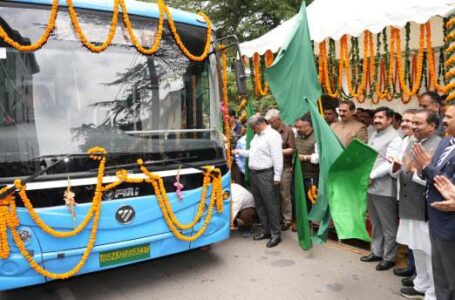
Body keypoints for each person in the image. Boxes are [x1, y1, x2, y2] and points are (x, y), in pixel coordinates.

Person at [392, 109, 440, 299]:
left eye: (418, 123)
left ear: (432, 126)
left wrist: (414, 171)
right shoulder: (412, 142)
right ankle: (420, 285)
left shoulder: (438, 145)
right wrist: (398, 168)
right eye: (412, 123)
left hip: (424, 208)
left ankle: (433, 292)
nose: (413, 127)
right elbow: (402, 170)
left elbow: (435, 179)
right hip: (408, 204)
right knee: (416, 248)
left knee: (429, 252)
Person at [412, 103, 455, 299]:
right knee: (440, 274)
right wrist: (422, 169)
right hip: (435, 216)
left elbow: (446, 182)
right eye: (445, 116)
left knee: (451, 274)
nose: (444, 121)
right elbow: (431, 176)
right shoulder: (446, 143)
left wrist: (428, 167)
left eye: (449, 117)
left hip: (450, 222)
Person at [232, 115, 283, 248]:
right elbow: (253, 153)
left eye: (253, 127)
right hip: (255, 174)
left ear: (260, 124)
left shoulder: (273, 136)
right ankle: (266, 231)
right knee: (260, 204)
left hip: (266, 174)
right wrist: (239, 152)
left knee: (271, 205)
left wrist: (277, 176)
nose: (253, 130)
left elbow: (277, 157)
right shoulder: (257, 136)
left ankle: (275, 234)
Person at [361, 107, 402, 271]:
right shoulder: (374, 134)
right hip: (371, 186)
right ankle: (376, 252)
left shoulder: (395, 138)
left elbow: (391, 162)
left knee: (388, 225)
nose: (377, 120)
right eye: (376, 117)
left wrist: (372, 175)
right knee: (375, 222)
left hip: (385, 187)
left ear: (390, 120)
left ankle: (389, 257)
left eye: (381, 117)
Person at [389, 109, 418, 279]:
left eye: (411, 121)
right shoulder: (404, 140)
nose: (406, 124)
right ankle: (411, 266)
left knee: (416, 236)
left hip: (415, 195)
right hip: (403, 191)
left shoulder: (421, 142)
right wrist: (395, 166)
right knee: (408, 233)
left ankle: (416, 272)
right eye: (405, 120)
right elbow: (397, 171)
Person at [265, 109, 295, 231]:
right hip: (270, 166)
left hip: (284, 166)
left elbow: (292, 149)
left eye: (271, 122)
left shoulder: (288, 131)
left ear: (278, 119)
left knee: (284, 194)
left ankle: (287, 219)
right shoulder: (268, 131)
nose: (270, 124)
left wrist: (277, 152)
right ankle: (275, 217)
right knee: (273, 194)